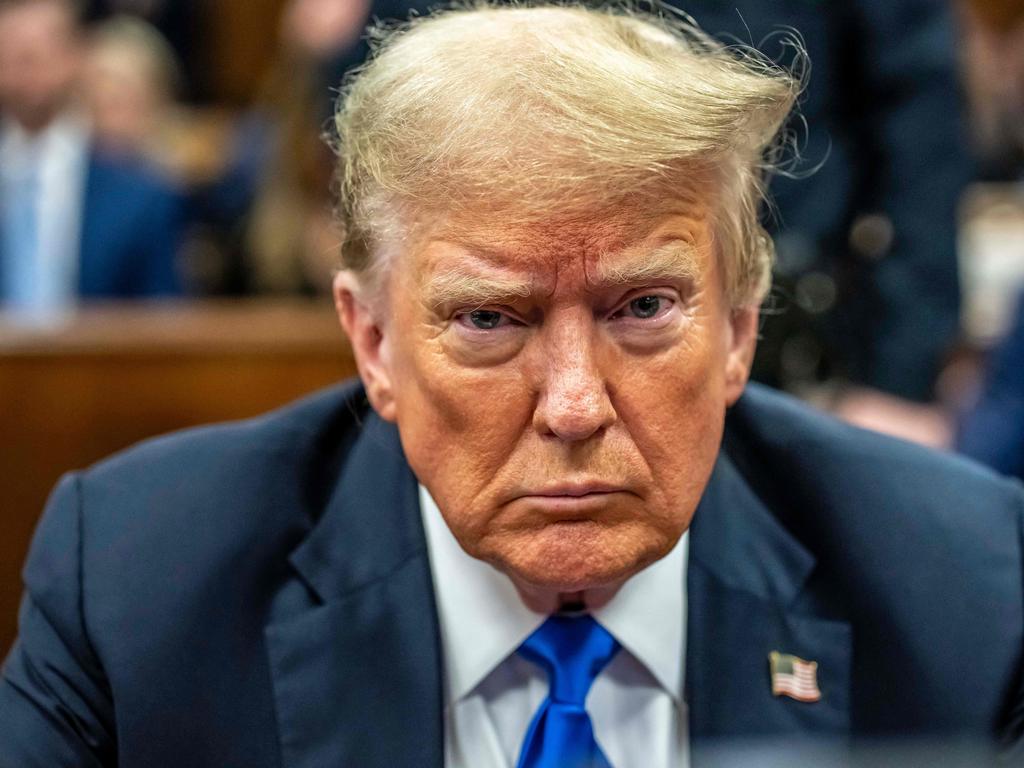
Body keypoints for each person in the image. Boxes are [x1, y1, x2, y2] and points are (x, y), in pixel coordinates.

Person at [1, 4, 1022, 767]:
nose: (574, 405)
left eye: (643, 310)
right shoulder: (141, 591)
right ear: (372, 343)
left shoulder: (967, 590)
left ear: (739, 332)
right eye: (489, 320)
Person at [0, 0, 184, 313]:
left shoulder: (139, 195)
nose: (28, 66)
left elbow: (166, 329)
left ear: (76, 55)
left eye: (42, 48)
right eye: (13, 51)